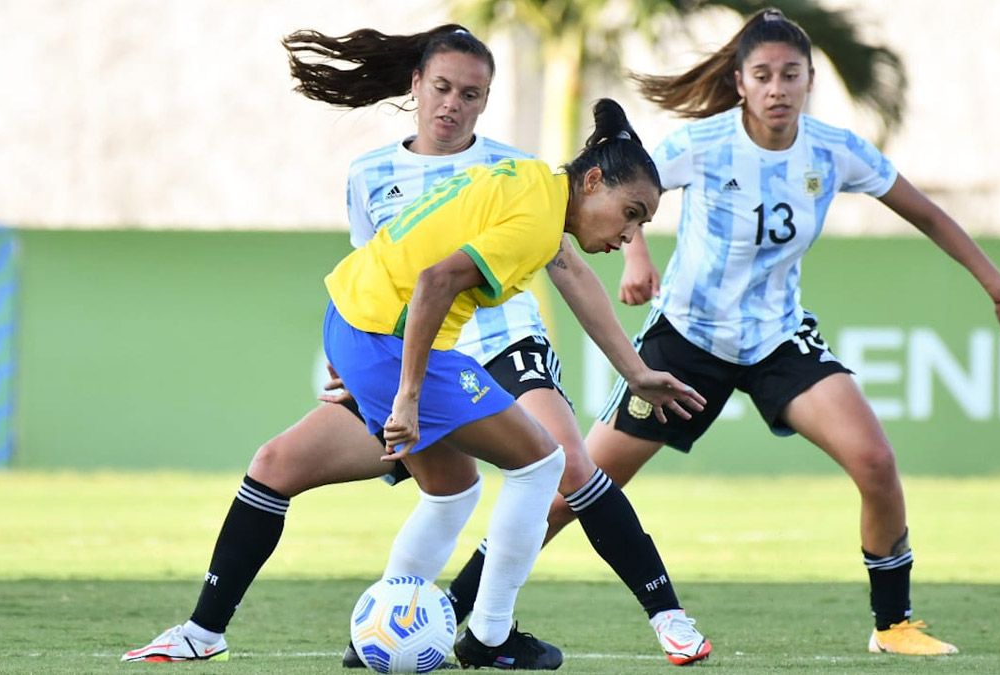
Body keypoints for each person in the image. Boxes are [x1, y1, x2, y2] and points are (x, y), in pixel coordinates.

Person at [121, 25, 708, 669]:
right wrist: (395, 391)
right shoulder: (521, 201)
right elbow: (428, 280)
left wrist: (634, 369)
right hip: (398, 345)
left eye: (472, 93)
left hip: (396, 336)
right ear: (593, 181)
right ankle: (488, 636)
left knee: (459, 487)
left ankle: (377, 633)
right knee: (540, 467)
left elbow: (419, 273)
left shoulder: (524, 174)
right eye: (633, 214)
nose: (631, 235)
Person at [531, 6, 1000, 657]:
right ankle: (464, 601)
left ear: (809, 80)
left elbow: (929, 215)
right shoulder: (704, 143)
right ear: (740, 83)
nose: (776, 88)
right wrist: (635, 253)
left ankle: (894, 623)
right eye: (762, 75)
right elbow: (629, 186)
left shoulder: (834, 151)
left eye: (789, 75)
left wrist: (998, 286)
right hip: (685, 340)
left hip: (777, 339)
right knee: (581, 485)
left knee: (876, 461)